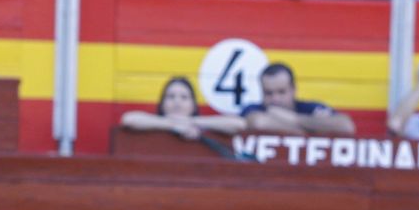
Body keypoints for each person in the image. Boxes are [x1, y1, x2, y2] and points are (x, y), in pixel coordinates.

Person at [119, 75, 251, 140]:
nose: (177, 102)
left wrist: (192, 122)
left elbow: (239, 124)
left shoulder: (198, 123)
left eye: (184, 97)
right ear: (162, 104)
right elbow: (129, 119)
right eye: (171, 97)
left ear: (193, 105)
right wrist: (171, 124)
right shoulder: (154, 123)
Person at [240, 62, 356, 134]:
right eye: (268, 93)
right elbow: (259, 123)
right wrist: (313, 127)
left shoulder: (309, 107)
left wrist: (294, 119)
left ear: (293, 89)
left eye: (281, 92)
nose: (275, 99)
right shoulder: (254, 108)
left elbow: (346, 126)